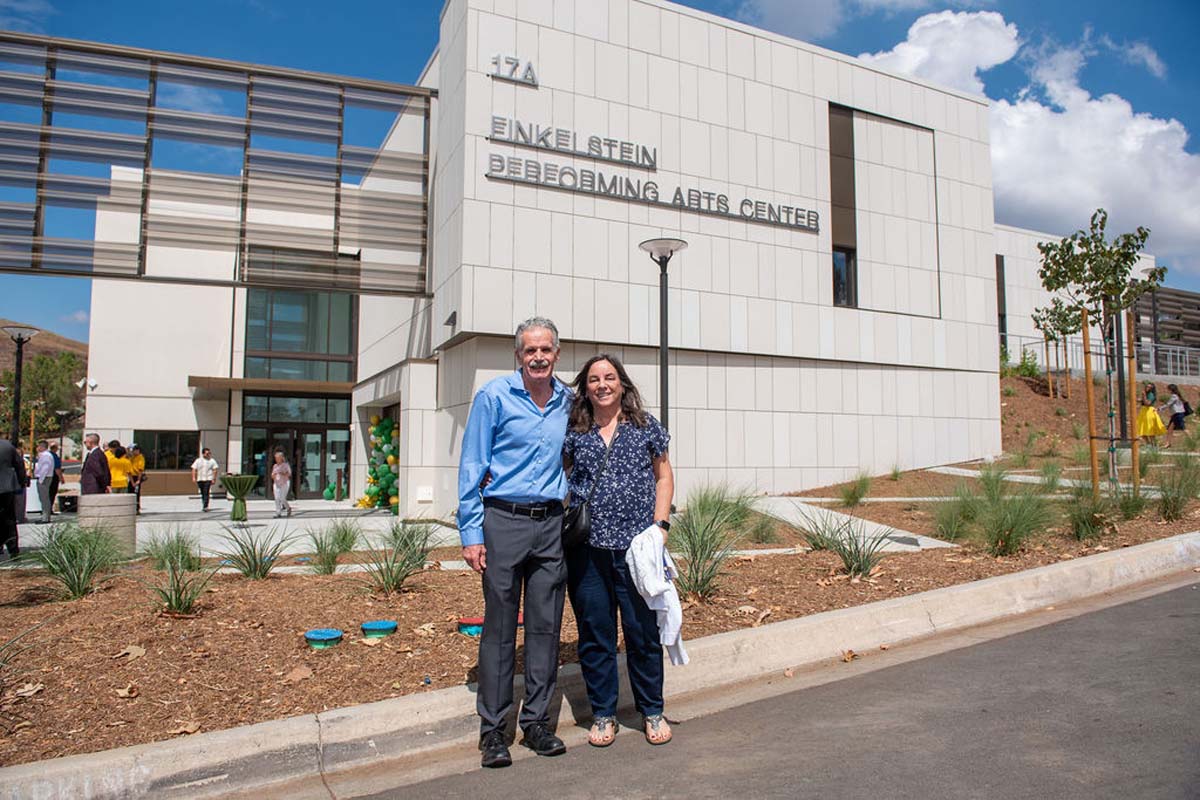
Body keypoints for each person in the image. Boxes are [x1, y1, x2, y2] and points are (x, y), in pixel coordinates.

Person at [457, 317, 571, 769]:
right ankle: (494, 730)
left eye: (545, 350)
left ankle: (537, 723)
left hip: (551, 525)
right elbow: (472, 465)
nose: (538, 357)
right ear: (518, 355)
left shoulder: (569, 401)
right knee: (500, 630)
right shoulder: (494, 397)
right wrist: (471, 533)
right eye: (530, 350)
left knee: (546, 627)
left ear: (557, 353)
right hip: (502, 521)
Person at [562, 354, 676, 748]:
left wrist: (661, 527)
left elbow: (664, 477)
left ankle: (652, 710)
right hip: (587, 550)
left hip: (636, 551)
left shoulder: (645, 426)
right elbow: (562, 477)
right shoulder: (575, 431)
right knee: (596, 634)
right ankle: (603, 713)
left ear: (622, 384)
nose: (602, 385)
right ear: (586, 387)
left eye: (609, 377)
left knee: (642, 634)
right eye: (594, 379)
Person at [0, 438, 26, 558]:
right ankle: (13, 548)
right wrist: (21, 482)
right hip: (7, 488)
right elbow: (19, 465)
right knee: (9, 518)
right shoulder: (8, 446)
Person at [1159, 384, 1186, 448]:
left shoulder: (1174, 396)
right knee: (1169, 429)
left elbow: (1168, 404)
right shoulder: (1177, 396)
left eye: (1168, 389)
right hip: (1176, 414)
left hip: (1178, 414)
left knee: (1183, 429)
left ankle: (1193, 440)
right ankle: (1168, 444)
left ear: (1171, 390)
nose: (1167, 391)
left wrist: (1159, 408)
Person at [33, 441, 54, 524]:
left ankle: (45, 518)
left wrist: (41, 480)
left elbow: (45, 468)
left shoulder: (46, 456)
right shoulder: (44, 455)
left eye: (38, 446)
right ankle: (45, 517)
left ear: (42, 447)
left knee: (44, 498)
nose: (37, 448)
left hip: (44, 478)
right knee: (44, 498)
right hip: (44, 477)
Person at [271, 449, 292, 518]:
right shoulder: (275, 466)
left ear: (281, 458)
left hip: (284, 483)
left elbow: (289, 474)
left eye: (277, 458)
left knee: (282, 498)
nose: (276, 459)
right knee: (277, 498)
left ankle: (288, 508)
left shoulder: (286, 465)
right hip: (276, 483)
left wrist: (282, 473)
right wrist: (274, 475)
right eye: (275, 458)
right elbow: (272, 475)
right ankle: (278, 513)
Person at [128, 443, 146, 513]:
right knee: (130, 491)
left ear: (138, 450)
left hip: (137, 476)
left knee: (136, 493)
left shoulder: (140, 458)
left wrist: (138, 480)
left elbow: (140, 470)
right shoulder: (132, 457)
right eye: (133, 450)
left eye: (135, 450)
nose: (133, 452)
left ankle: (137, 508)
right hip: (131, 477)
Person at [48, 442, 63, 515]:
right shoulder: (54, 456)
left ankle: (46, 508)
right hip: (54, 476)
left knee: (48, 493)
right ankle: (49, 509)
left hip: (47, 476)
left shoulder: (47, 455)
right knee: (52, 493)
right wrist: (61, 478)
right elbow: (57, 469)